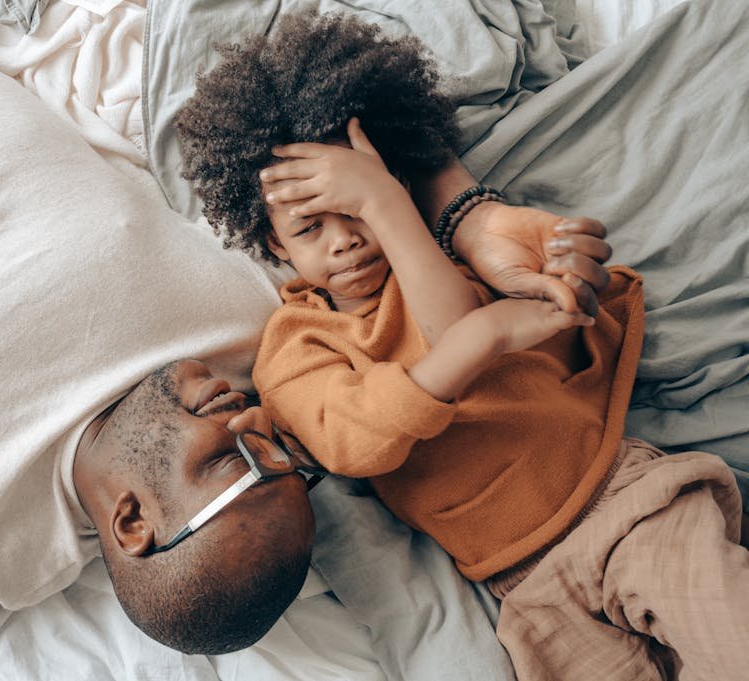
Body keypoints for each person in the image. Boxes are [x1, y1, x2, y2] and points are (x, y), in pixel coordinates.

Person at [0, 0, 610, 658]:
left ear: (133, 523)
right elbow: (339, 170)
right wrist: (468, 215)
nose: (248, 419)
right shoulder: (256, 331)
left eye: (228, 460)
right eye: (275, 450)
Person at [176, 10, 749, 679]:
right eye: (311, 226)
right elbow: (350, 440)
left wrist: (392, 207)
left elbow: (454, 331)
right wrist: (483, 328)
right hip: (526, 587)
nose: (347, 239)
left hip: (623, 502)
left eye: (362, 210)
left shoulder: (437, 258)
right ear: (272, 243)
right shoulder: (294, 344)